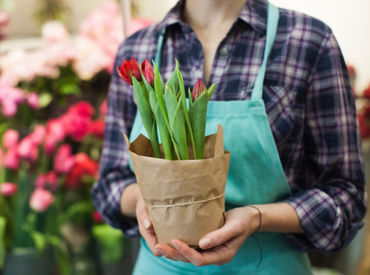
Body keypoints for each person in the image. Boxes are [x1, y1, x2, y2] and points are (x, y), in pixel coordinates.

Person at [91, 0, 367, 273]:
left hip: (267, 264)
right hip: (160, 266)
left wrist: (257, 218)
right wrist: (147, 200)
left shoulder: (308, 41)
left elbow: (346, 196)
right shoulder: (138, 48)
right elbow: (111, 183)